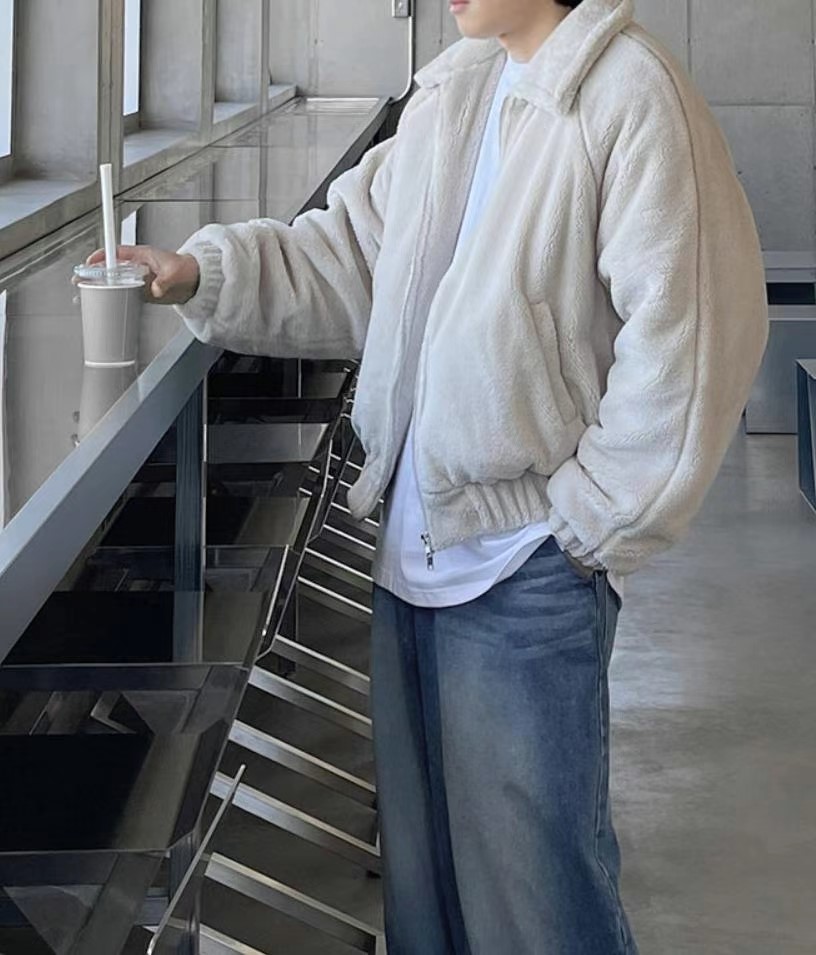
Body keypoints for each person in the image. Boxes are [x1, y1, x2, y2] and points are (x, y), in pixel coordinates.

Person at [90, 0, 769, 950]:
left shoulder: (631, 96)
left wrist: (586, 524)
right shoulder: (458, 89)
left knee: (537, 915)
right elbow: (349, 260)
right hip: (411, 558)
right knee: (427, 913)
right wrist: (203, 274)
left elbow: (694, 343)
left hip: (523, 574)